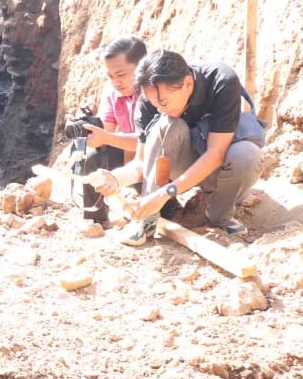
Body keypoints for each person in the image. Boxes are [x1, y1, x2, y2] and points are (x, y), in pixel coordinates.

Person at [97, 50, 264, 244]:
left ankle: (220, 216)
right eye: (153, 103)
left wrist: (165, 193)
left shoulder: (222, 81)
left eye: (163, 102)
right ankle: (148, 219)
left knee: (247, 155)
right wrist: (116, 178)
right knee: (169, 124)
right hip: (181, 167)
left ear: (187, 84)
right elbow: (142, 162)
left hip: (220, 168)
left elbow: (216, 153)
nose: (159, 108)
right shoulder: (150, 98)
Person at [80, 36, 147, 220]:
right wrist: (86, 132)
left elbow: (146, 142)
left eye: (121, 74)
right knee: (93, 157)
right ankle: (95, 219)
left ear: (142, 67)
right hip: (130, 158)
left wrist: (106, 137)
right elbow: (104, 134)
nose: (116, 82)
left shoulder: (155, 92)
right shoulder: (112, 92)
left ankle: (169, 209)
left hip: (157, 159)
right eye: (110, 76)